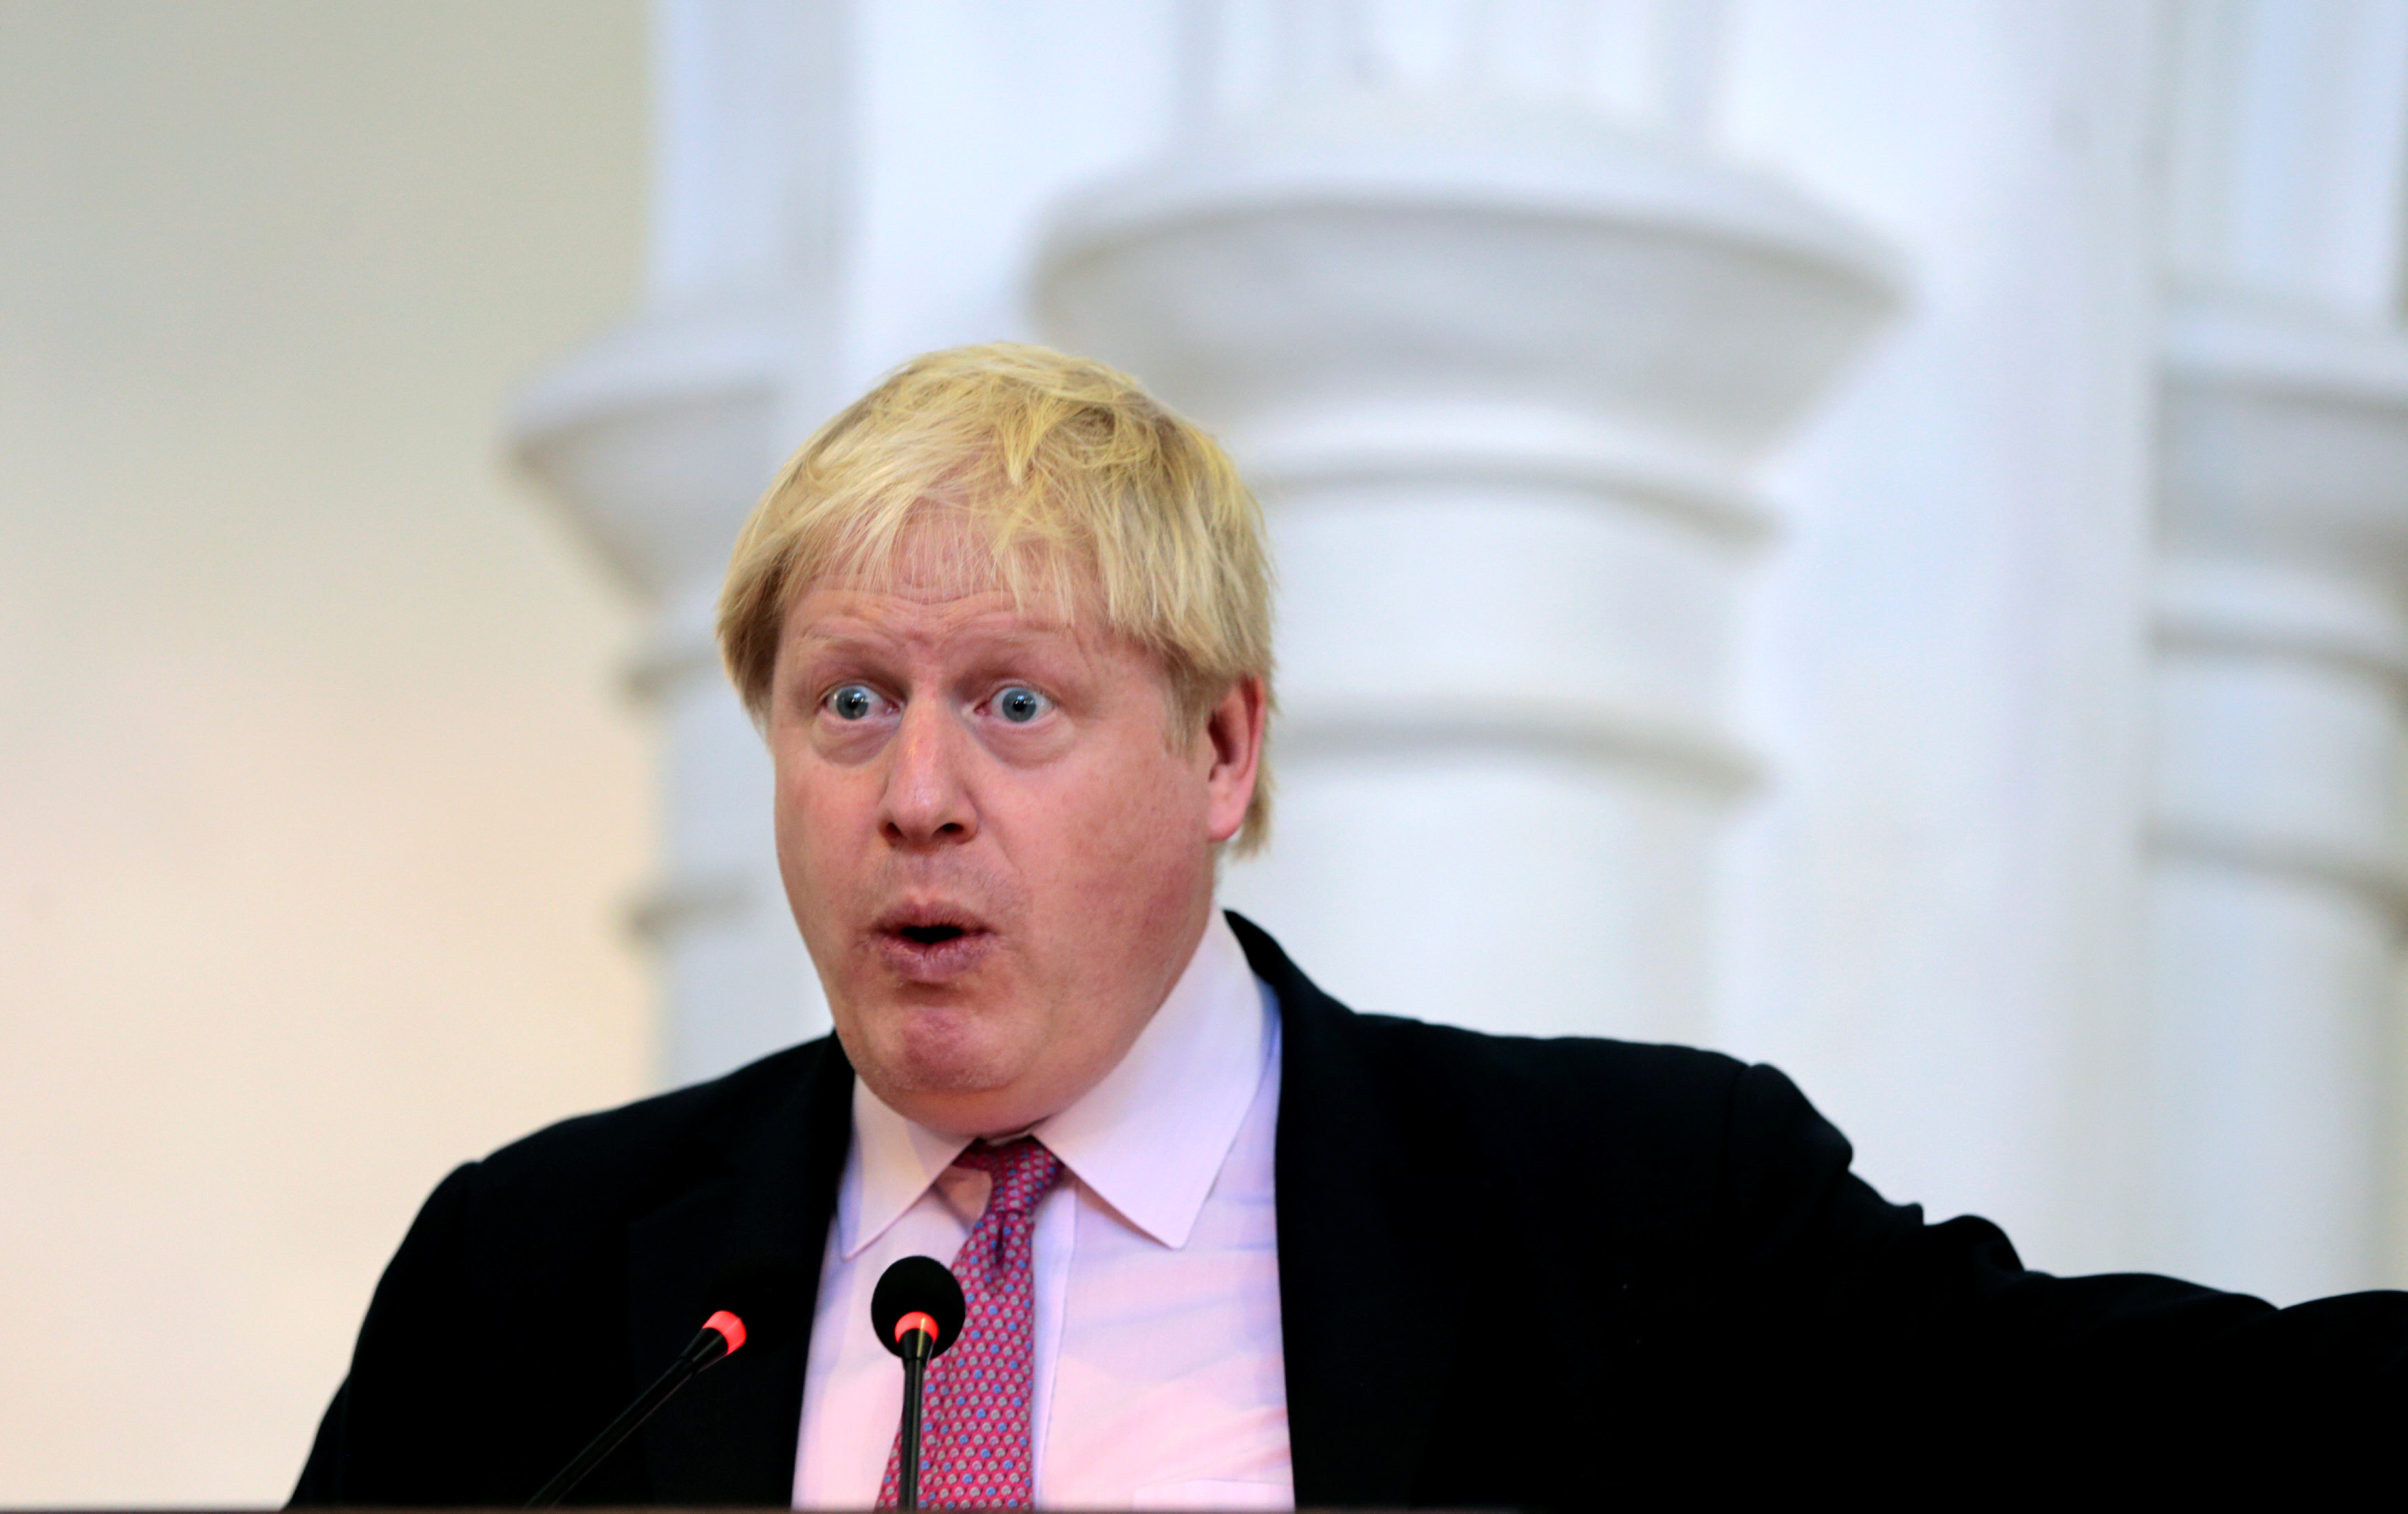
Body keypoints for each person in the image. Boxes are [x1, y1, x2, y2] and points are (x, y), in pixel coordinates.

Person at [294, 345, 2405, 1509]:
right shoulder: (553, 1287)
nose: (914, 792)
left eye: (1014, 704)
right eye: (849, 703)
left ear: (1221, 751)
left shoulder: (1626, 1216)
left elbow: (2159, 1439)